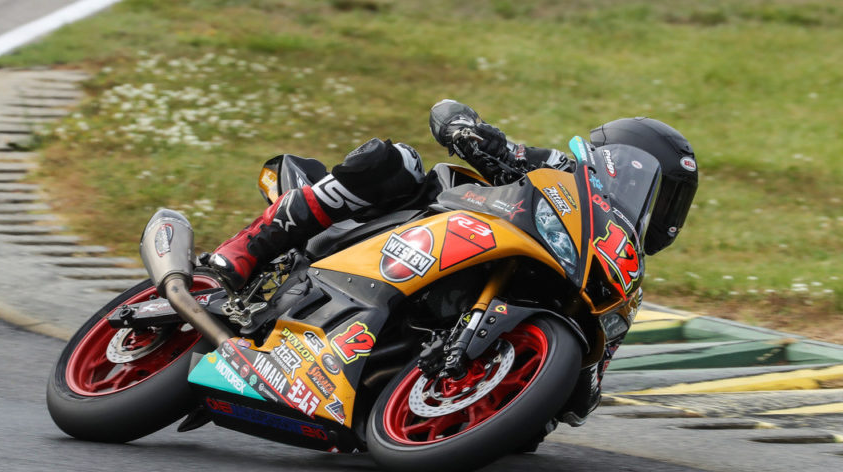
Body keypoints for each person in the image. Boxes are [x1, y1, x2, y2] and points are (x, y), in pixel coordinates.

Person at [208, 99, 698, 289]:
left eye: (666, 197)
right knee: (395, 160)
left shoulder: (616, 258)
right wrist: (468, 130)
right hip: (440, 220)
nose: (650, 199)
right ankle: (251, 247)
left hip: (507, 268)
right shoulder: (558, 166)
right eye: (649, 180)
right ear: (616, 157)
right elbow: (457, 119)